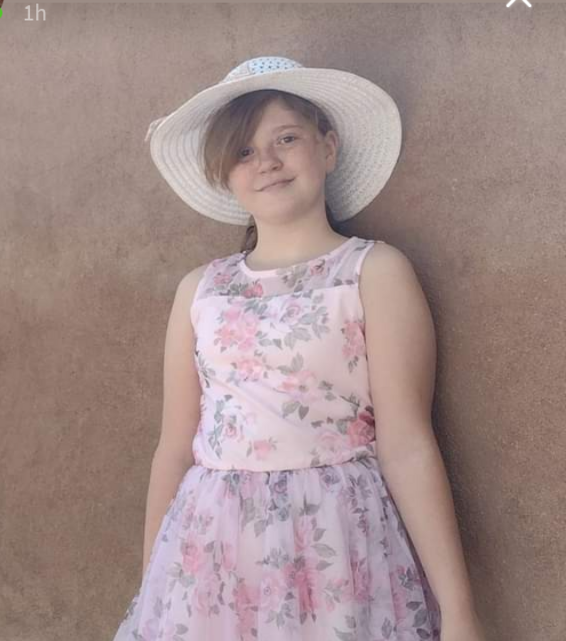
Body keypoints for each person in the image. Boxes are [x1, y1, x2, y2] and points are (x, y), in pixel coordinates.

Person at [112, 56, 487, 640]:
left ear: (328, 148)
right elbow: (175, 449)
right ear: (225, 174)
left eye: (286, 138)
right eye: (243, 151)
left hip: (336, 542)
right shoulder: (201, 290)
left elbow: (408, 445)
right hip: (212, 553)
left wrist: (459, 612)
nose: (266, 161)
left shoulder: (373, 272)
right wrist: (154, 592)